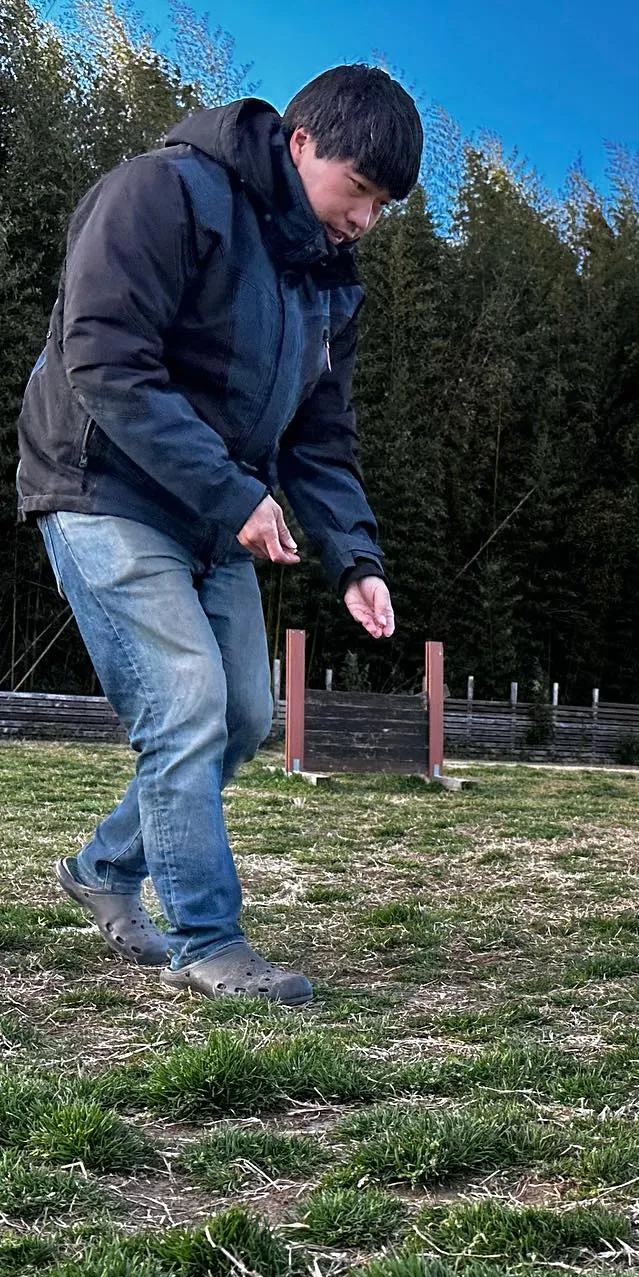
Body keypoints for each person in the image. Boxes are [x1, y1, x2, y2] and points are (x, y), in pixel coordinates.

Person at [14, 66, 424, 1004]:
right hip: (101, 487)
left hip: (216, 511)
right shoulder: (163, 192)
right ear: (302, 142)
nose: (363, 219)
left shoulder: (330, 280)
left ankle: (104, 870)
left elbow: (321, 436)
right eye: (357, 190)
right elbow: (104, 360)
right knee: (188, 705)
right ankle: (210, 942)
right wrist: (232, 489)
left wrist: (354, 558)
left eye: (382, 206)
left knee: (243, 718)